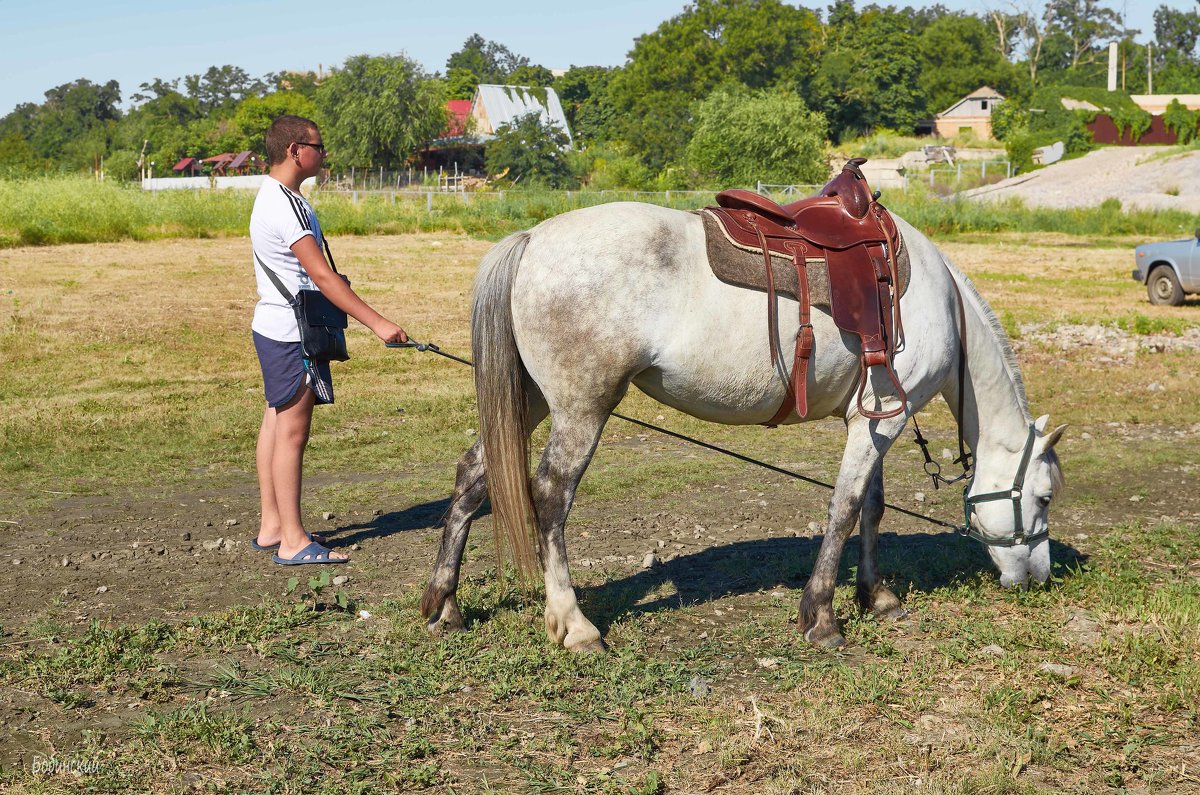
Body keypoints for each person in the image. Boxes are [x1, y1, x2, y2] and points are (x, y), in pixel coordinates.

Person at [249, 115, 407, 565]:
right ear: (295, 150)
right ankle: (294, 542)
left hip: (273, 325)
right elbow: (319, 274)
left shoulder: (273, 195)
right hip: (292, 332)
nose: (325, 153)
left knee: (275, 423)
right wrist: (378, 323)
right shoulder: (288, 205)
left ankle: (273, 526)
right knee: (292, 433)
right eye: (319, 146)